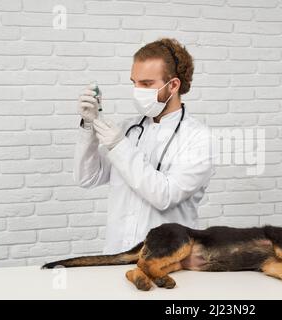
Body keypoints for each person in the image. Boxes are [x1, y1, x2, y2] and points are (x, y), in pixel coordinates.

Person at [75, 38, 215, 254]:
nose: (137, 90)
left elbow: (165, 196)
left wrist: (119, 146)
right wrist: (88, 127)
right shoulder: (128, 129)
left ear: (174, 85)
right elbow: (87, 178)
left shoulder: (198, 138)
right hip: (117, 255)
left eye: (147, 84)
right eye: (134, 82)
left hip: (167, 260)